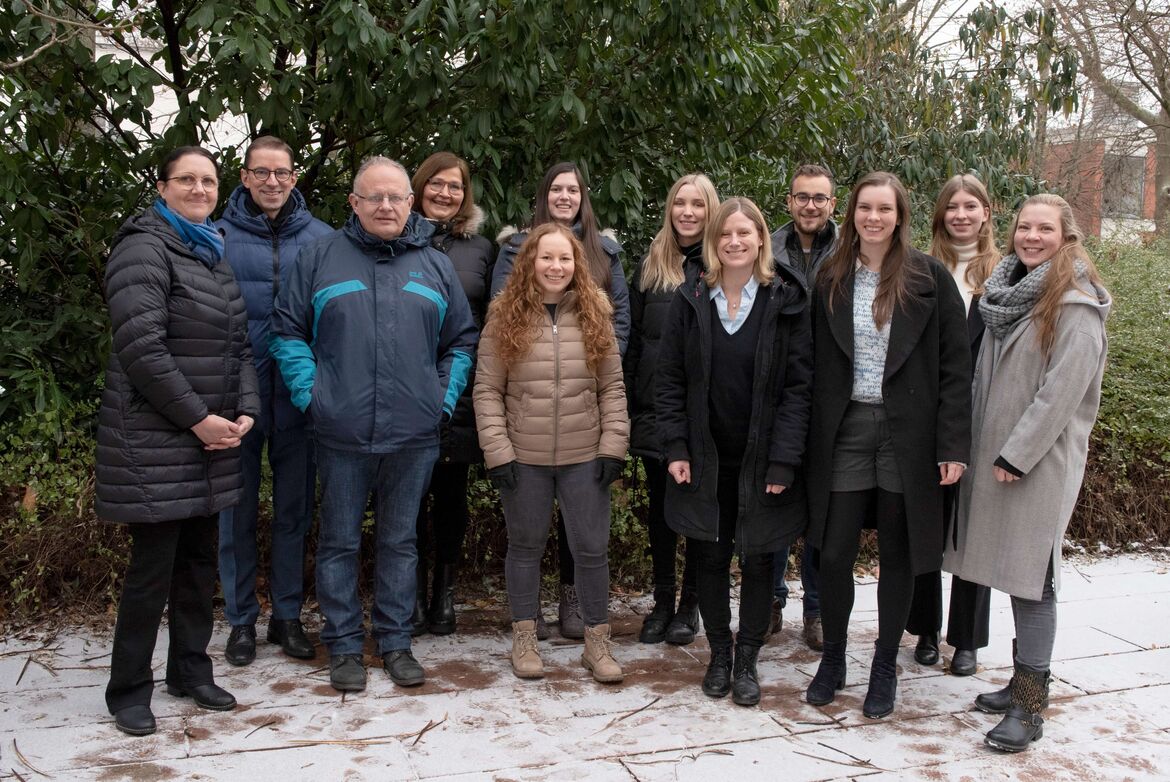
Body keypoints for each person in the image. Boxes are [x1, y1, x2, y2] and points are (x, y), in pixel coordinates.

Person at [270, 156, 477, 693]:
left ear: (411, 204)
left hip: (414, 434)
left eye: (396, 197)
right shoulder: (319, 258)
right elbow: (288, 332)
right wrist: (311, 396)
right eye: (374, 197)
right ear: (354, 203)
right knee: (339, 542)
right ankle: (342, 645)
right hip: (340, 432)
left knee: (400, 542)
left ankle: (394, 641)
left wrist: (440, 399)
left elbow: (460, 340)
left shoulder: (433, 266)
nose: (385, 206)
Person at [97, 146, 259, 736]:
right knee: (152, 570)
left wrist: (244, 411)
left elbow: (239, 345)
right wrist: (199, 419)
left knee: (197, 565)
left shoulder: (209, 252)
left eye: (208, 180)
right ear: (162, 187)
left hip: (211, 440)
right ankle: (128, 689)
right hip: (157, 440)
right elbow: (142, 349)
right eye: (186, 180)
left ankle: (190, 669)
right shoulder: (144, 248)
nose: (199, 189)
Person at [944, 194, 1111, 752]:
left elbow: (1062, 392)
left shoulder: (1076, 307)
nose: (1031, 237)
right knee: (1008, 571)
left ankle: (1031, 706)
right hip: (996, 459)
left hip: (1034, 465)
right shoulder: (1007, 295)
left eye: (1044, 229)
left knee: (1033, 579)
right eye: (1024, 227)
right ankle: (1019, 683)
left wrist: (1018, 453)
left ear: (1068, 237)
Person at [804, 171, 971, 719]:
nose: (873, 218)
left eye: (885, 209)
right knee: (832, 552)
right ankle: (834, 659)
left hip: (908, 436)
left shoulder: (929, 278)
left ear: (900, 216)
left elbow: (953, 371)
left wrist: (952, 445)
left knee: (899, 554)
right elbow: (809, 365)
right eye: (864, 208)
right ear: (850, 214)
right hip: (846, 430)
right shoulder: (830, 276)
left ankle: (883, 665)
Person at [658, 197, 813, 707]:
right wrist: (677, 445)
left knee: (761, 558)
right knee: (710, 554)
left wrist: (784, 459)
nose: (735, 242)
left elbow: (798, 387)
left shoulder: (784, 300)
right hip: (706, 457)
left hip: (762, 459)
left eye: (745, 233)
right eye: (726, 234)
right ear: (713, 241)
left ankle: (748, 656)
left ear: (762, 240)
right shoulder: (690, 299)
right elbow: (670, 381)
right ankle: (719, 654)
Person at [474, 223, 629, 682]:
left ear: (576, 263)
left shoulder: (596, 313)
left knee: (591, 550)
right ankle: (524, 637)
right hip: (524, 456)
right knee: (524, 548)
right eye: (546, 258)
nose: (555, 266)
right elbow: (486, 389)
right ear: (530, 262)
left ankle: (597, 645)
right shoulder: (504, 316)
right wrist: (497, 451)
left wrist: (613, 446)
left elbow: (613, 387)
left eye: (564, 258)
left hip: (585, 455)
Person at [217, 135, 332, 667]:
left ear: (294, 177)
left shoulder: (324, 240)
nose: (271, 181)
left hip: (300, 400)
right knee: (234, 513)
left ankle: (287, 615)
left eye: (281, 172)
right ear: (243, 177)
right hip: (233, 398)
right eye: (260, 172)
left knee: (294, 512)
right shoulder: (214, 237)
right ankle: (241, 621)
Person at [905, 174, 1000, 675]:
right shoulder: (918, 270)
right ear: (939, 215)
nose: (961, 215)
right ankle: (923, 628)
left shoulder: (1005, 275)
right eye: (951, 207)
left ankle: (966, 638)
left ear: (987, 212)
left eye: (971, 206)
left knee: (972, 531)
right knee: (925, 525)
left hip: (983, 416)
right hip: (927, 417)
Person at [625, 173, 719, 646]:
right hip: (653, 411)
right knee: (660, 515)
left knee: (698, 513)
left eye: (697, 204)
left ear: (710, 210)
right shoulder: (651, 266)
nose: (687, 212)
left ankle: (691, 605)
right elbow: (635, 343)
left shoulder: (723, 263)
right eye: (679, 203)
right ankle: (662, 601)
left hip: (704, 416)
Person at [409, 152, 495, 636]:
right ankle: (412, 594)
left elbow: (490, 317)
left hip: (462, 387)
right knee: (407, 497)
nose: (445, 194)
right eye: (437, 185)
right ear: (420, 188)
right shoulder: (397, 241)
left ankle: (444, 594)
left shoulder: (481, 249)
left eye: (456, 187)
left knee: (451, 498)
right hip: (406, 385)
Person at [766, 163, 838, 651]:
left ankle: (816, 609)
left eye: (820, 198)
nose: (810, 205)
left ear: (834, 204)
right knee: (772, 502)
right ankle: (770, 600)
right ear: (788, 202)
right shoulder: (766, 251)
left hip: (832, 398)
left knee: (821, 512)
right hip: (776, 396)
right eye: (802, 197)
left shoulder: (849, 253)